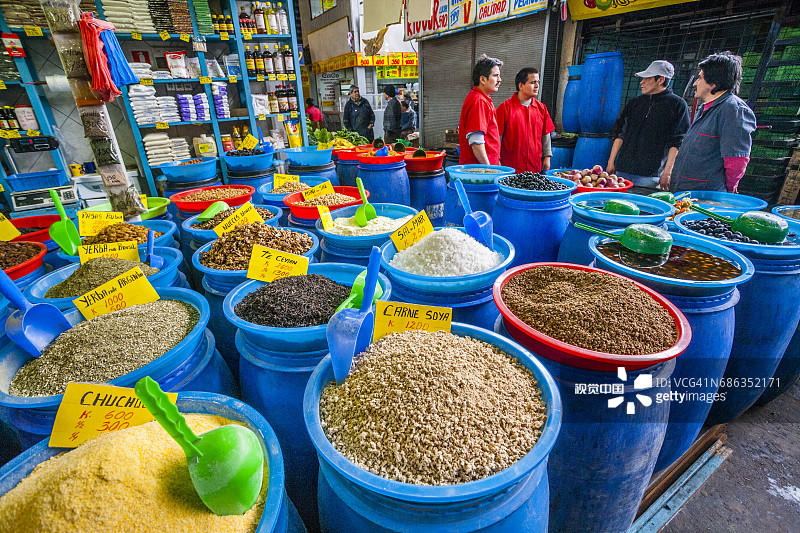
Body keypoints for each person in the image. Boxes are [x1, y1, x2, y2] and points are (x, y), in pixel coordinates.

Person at [667, 52, 756, 192]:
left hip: (705, 194)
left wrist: (730, 188)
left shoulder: (733, 110)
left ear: (713, 84)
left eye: (700, 78)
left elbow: (736, 160)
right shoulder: (705, 107)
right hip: (683, 189)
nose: (695, 83)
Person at [606, 60, 690, 188]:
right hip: (622, 170)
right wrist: (611, 162)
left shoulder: (677, 105)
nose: (642, 82)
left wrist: (667, 172)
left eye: (647, 78)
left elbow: (677, 142)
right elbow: (621, 134)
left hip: (651, 176)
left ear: (660, 80)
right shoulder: (635, 103)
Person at [496, 67, 555, 173]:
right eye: (533, 82)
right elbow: (497, 137)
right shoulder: (505, 108)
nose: (537, 86)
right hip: (510, 168)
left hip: (534, 167)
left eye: (538, 82)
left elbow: (546, 135)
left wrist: (547, 156)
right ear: (521, 86)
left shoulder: (541, 108)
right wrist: (497, 159)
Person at [458, 54, 503, 165]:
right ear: (482, 79)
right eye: (495, 76)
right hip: (479, 171)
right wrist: (488, 169)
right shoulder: (479, 101)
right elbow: (476, 141)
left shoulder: (482, 99)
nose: (499, 80)